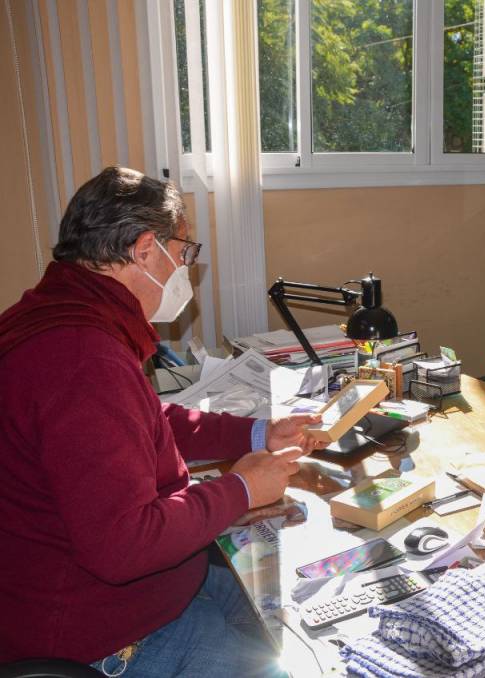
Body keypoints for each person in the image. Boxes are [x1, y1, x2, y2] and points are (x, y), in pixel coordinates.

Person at [0, 167, 321, 676]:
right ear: (146, 249)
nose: (186, 268)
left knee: (291, 609)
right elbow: (125, 546)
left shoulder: (59, 313)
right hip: (104, 632)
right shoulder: (84, 357)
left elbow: (142, 419)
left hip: (140, 590)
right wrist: (241, 489)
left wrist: (255, 433)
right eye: (184, 252)